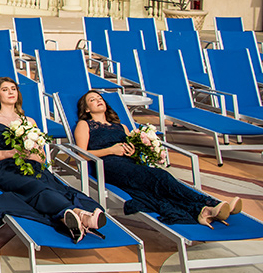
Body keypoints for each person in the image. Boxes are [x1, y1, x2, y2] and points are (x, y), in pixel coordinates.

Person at [73, 90, 242, 226]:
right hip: (107, 166)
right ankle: (210, 202)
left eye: (99, 98)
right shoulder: (84, 125)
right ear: (87, 109)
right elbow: (81, 154)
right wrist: (111, 150)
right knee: (161, 177)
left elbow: (133, 149)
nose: (98, 100)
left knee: (158, 185)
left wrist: (133, 151)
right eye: (92, 100)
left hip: (129, 164)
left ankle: (203, 210)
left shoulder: (121, 126)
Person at [0, 77, 104, 242]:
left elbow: (41, 157)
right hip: (4, 168)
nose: (11, 92)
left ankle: (71, 218)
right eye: (5, 90)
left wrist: (33, 155)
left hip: (33, 166)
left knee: (52, 186)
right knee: (35, 185)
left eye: (13, 89)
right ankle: (78, 214)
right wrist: (11, 153)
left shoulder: (29, 122)